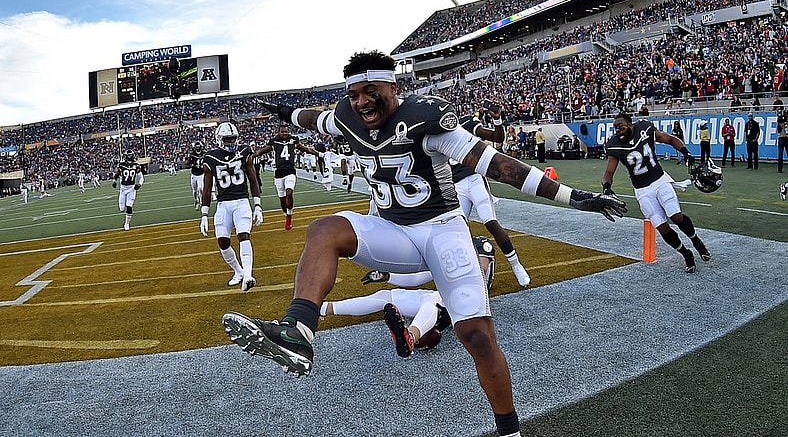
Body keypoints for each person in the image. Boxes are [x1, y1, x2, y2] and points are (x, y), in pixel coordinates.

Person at [221, 50, 626, 437]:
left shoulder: (425, 117)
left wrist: (575, 198)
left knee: (478, 336)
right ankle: (299, 332)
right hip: (394, 231)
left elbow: (499, 166)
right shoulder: (347, 115)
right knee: (325, 229)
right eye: (353, 95)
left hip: (441, 230)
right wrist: (283, 112)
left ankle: (509, 431)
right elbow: (315, 119)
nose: (361, 102)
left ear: (393, 87)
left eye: (370, 92)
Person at [321, 235, 497, 357]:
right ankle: (324, 308)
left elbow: (481, 265)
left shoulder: (480, 263)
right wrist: (387, 276)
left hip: (461, 309)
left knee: (432, 299)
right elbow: (416, 278)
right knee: (387, 297)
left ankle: (410, 337)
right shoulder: (456, 260)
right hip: (443, 301)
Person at [603, 113, 711, 273]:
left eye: (621, 126)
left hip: (660, 180)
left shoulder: (644, 128)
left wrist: (685, 152)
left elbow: (671, 139)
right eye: (615, 128)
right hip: (642, 190)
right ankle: (686, 253)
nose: (618, 130)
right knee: (662, 228)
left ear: (630, 124)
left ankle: (696, 241)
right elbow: (609, 172)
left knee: (676, 216)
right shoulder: (614, 145)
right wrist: (606, 187)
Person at [457, 106, 530, 287]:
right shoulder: (433, 130)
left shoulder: (465, 123)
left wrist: (497, 120)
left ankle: (516, 265)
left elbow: (497, 138)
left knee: (490, 221)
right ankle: (464, 271)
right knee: (455, 231)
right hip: (455, 185)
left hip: (474, 179)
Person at [200, 122, 264, 292]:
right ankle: (239, 272)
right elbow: (207, 189)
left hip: (241, 201)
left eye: (233, 139)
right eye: (227, 139)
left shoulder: (244, 152)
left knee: (244, 235)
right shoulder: (210, 158)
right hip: (223, 204)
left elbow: (253, 179)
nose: (231, 142)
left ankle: (249, 275)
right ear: (219, 139)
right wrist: (204, 214)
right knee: (223, 241)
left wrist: (257, 205)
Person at [253, 123, 322, 230]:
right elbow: (263, 151)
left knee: (289, 192)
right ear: (279, 132)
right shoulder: (274, 141)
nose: (284, 133)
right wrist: (253, 154)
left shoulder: (293, 140)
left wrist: (320, 154)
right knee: (282, 200)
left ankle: (289, 217)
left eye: (286, 131)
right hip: (279, 173)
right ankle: (286, 214)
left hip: (290, 171)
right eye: (282, 132)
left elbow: (306, 149)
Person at [112, 149, 144, 231]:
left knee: (129, 206)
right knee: (122, 208)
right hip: (123, 189)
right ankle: (126, 219)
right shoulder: (121, 165)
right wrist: (114, 181)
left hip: (131, 188)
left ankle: (126, 224)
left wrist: (139, 184)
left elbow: (141, 177)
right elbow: (117, 174)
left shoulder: (136, 165)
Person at [186, 141, 206, 210]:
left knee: (200, 188)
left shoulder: (204, 153)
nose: (198, 148)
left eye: (198, 146)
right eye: (196, 146)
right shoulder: (192, 154)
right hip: (194, 174)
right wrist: (191, 164)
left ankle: (201, 202)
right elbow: (187, 164)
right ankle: (196, 201)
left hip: (201, 174)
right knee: (195, 191)